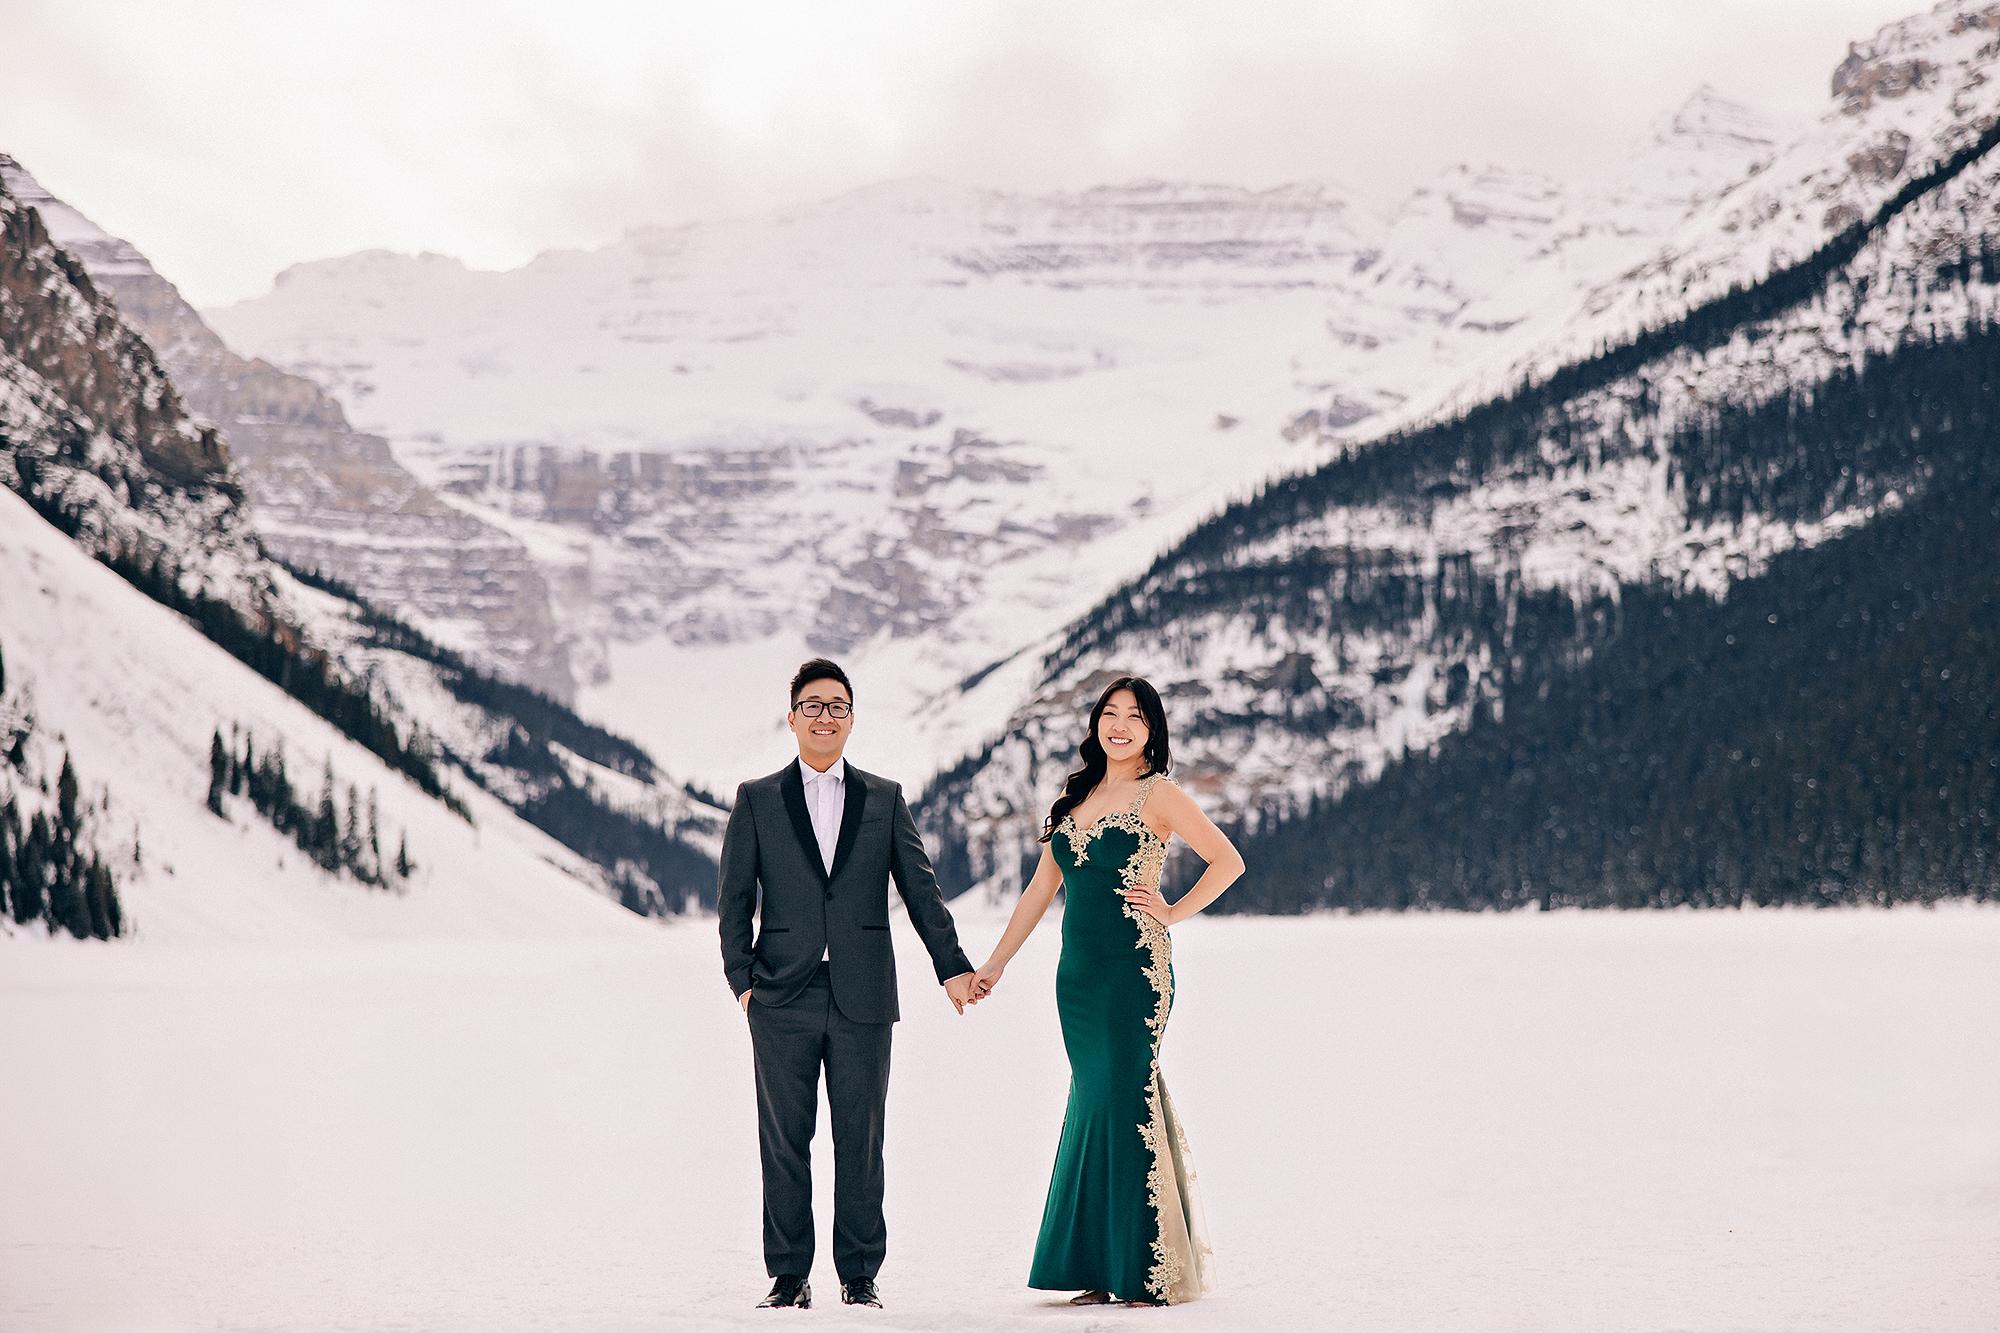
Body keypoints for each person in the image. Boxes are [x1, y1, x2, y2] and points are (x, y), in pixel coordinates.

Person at [972, 675, 1244, 1306]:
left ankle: (1146, 1272)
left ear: (1153, 730)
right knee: (1095, 1104)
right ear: (1096, 723)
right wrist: (996, 965)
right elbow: (1040, 893)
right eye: (1110, 714)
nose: (1119, 725)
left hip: (1134, 970)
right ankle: (1101, 1267)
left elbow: (1227, 861)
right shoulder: (1075, 797)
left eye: (1135, 716)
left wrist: (1172, 911)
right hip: (1078, 979)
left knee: (1127, 1098)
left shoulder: (1161, 794)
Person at [717, 657, 980, 1311]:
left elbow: (921, 890)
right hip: (780, 995)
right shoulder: (756, 798)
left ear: (852, 718)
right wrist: (742, 982)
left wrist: (952, 966)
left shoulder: (884, 797)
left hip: (864, 992)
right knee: (784, 1141)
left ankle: (859, 1275)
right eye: (814, 704)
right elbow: (732, 900)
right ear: (792, 717)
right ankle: (788, 1276)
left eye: (838, 705)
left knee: (860, 1138)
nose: (826, 715)